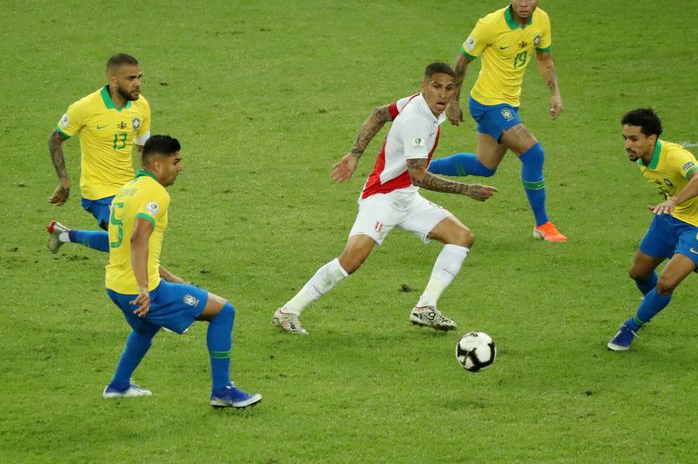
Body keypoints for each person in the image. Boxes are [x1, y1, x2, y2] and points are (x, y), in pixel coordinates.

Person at [272, 62, 497, 335]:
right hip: (382, 198)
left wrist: (354, 154)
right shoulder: (417, 118)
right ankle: (288, 311)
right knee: (350, 261)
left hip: (406, 198)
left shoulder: (418, 104)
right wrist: (466, 190)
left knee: (461, 237)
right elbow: (418, 174)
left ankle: (425, 307)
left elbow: (379, 113)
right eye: (436, 87)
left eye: (449, 89)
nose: (443, 94)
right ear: (424, 86)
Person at [102, 135, 261, 408]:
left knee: (145, 329)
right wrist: (144, 286)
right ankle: (223, 390)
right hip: (142, 290)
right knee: (223, 311)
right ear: (157, 165)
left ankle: (118, 386)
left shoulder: (126, 191)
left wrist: (168, 276)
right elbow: (139, 237)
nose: (180, 167)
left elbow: (114, 239)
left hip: (115, 286)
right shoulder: (155, 194)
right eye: (175, 162)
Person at [427, 0, 567, 242]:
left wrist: (555, 94)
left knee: (484, 166)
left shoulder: (542, 20)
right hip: (488, 103)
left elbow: (545, 59)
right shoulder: (489, 25)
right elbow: (461, 61)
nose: (524, 3)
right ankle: (543, 224)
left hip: (509, 104)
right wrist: (452, 101)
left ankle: (417, 169)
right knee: (534, 154)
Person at [607, 108, 698, 351]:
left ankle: (630, 327)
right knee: (638, 273)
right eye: (625, 138)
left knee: (666, 283)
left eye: (633, 139)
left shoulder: (674, 156)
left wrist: (673, 201)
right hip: (670, 218)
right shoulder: (642, 159)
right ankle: (652, 304)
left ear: (652, 139)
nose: (627, 145)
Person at [47, 53, 152, 254]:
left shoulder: (141, 106)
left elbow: (142, 147)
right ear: (113, 81)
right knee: (132, 243)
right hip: (98, 191)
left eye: (139, 77)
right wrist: (63, 180)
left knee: (128, 240)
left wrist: (149, 179)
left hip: (128, 187)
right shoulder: (85, 108)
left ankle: (63, 235)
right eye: (131, 78)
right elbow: (55, 140)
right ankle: (170, 282)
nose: (137, 83)